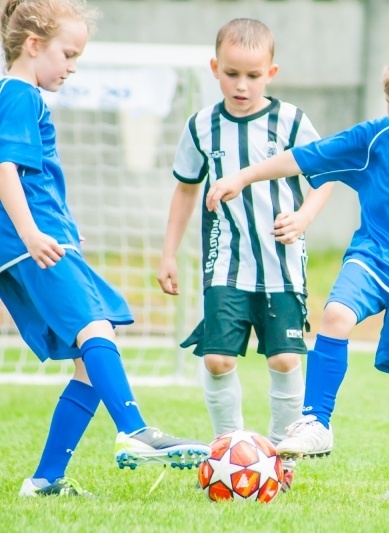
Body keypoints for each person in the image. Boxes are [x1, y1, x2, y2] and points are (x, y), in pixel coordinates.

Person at [205, 41, 389, 509]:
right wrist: (242, 177)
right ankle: (315, 420)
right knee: (337, 313)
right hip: (373, 258)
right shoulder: (377, 138)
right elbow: (305, 157)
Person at [0, 0, 210, 498]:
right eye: (68, 55)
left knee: (90, 354)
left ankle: (46, 480)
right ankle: (135, 430)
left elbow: (35, 177)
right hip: (32, 243)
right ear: (34, 45)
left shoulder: (22, 96)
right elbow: (5, 168)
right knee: (95, 326)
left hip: (42, 239)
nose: (72, 67)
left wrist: (63, 227)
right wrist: (33, 233)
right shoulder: (19, 95)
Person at [157, 18, 333, 492]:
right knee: (217, 359)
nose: (242, 84)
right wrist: (168, 254)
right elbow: (184, 191)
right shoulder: (201, 126)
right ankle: (226, 455)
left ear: (271, 72)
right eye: (232, 73)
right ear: (215, 68)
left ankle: (280, 459)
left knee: (284, 361)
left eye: (253, 76)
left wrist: (304, 218)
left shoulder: (292, 121)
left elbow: (323, 178)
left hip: (282, 266)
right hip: (226, 265)